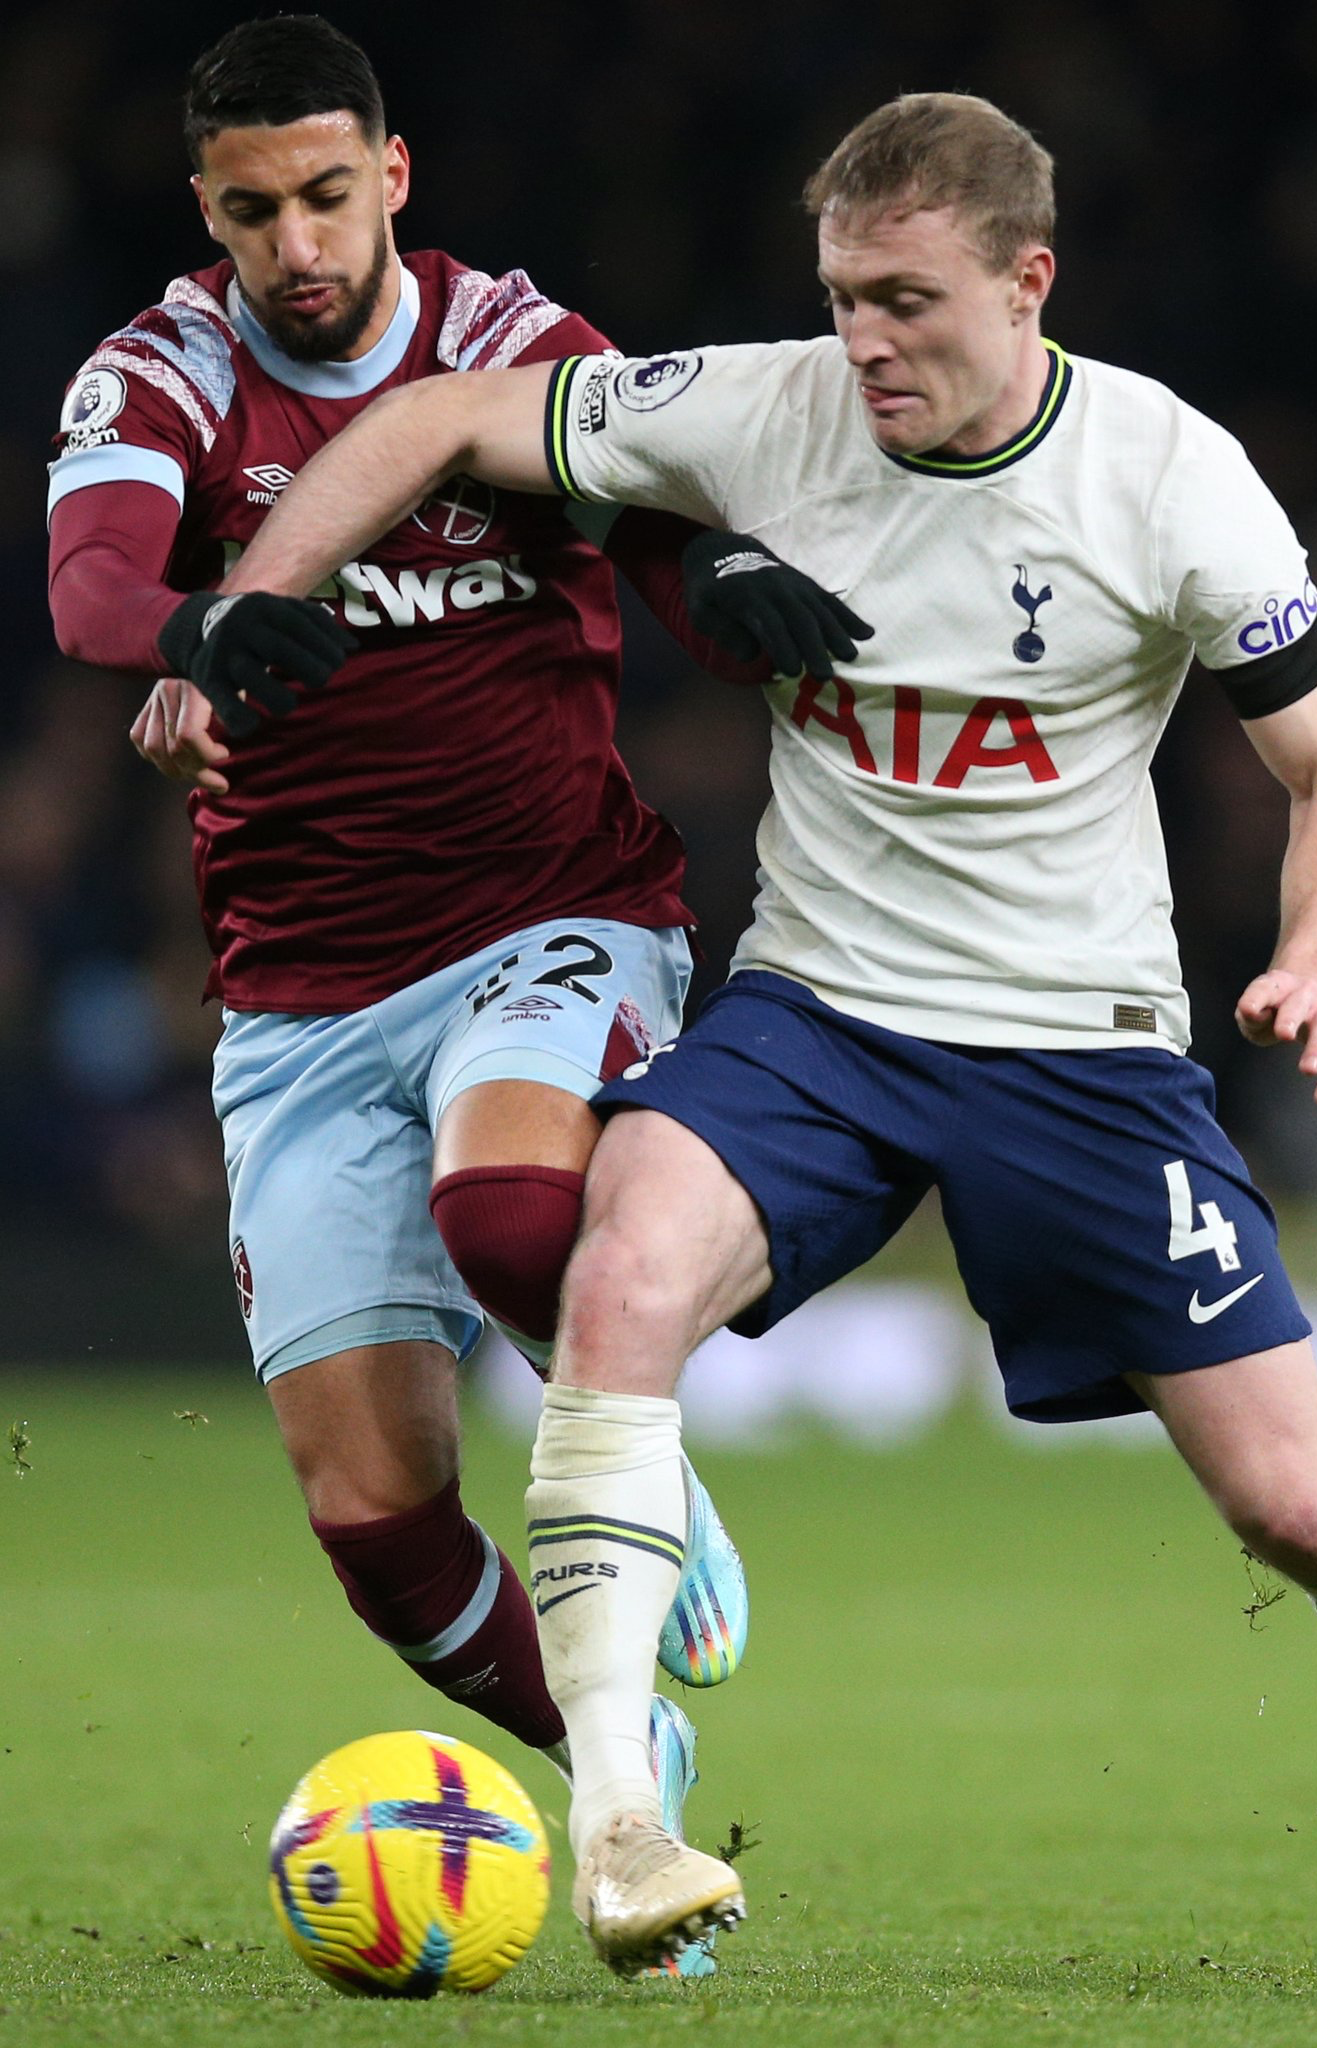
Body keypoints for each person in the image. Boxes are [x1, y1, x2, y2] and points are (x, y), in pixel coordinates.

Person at [210, 92, 1317, 1985]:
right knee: (615, 1272)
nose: (862, 340)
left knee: (1296, 1509)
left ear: (1026, 284)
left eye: (903, 302)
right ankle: (621, 1815)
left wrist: (1316, 959)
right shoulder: (774, 405)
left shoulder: (1164, 476)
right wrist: (248, 601)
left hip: (1082, 1052)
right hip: (824, 1017)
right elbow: (438, 417)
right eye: (839, 297)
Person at [39, 18, 850, 1977]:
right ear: (206, 209)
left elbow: (648, 523)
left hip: (551, 915)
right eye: (254, 208)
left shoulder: (518, 340)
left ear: (392, 176)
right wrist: (200, 621)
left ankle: (641, 1469)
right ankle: (609, 1753)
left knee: (510, 1212)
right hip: (301, 997)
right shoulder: (164, 369)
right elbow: (89, 583)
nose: (297, 243)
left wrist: (717, 592)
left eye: (330, 195)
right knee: (378, 1522)